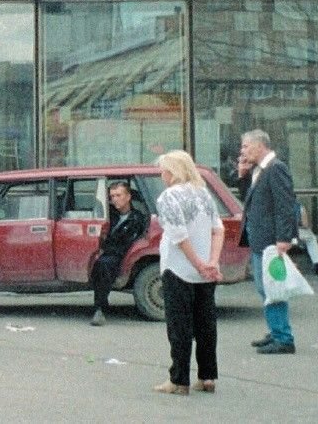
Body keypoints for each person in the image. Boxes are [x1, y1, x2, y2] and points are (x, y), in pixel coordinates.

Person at [153, 150, 223, 395]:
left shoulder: (168, 198)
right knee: (206, 325)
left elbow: (178, 236)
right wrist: (211, 263)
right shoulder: (204, 194)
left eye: (164, 170)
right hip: (205, 271)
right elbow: (218, 230)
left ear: (172, 172)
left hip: (178, 268)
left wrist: (198, 264)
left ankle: (179, 379)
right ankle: (208, 376)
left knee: (179, 326)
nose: (162, 174)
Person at [239, 129, 299, 355]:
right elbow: (251, 201)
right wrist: (243, 176)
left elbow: (285, 205)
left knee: (272, 288)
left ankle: (283, 337)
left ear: (259, 145)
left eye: (245, 146)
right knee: (264, 288)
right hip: (259, 238)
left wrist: (284, 238)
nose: (242, 151)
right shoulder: (259, 170)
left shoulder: (276, 168)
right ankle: (275, 331)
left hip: (271, 241)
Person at [90, 181, 149, 325]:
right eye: (112, 196)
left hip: (122, 255)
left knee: (104, 264)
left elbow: (127, 243)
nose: (114, 199)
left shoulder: (137, 218)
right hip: (107, 252)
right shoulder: (110, 215)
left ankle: (99, 308)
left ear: (128, 196)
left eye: (118, 195)